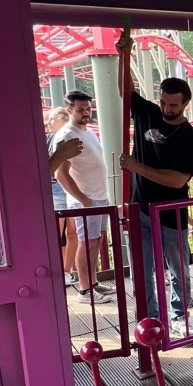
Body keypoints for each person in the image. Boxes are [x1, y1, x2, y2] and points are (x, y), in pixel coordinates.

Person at [116, 37, 193, 334]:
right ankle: (151, 317)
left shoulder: (190, 138)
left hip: (170, 212)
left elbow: (177, 179)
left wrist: (136, 166)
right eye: (164, 102)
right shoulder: (148, 112)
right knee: (143, 269)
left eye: (173, 105)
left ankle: (179, 314)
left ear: (185, 104)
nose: (167, 108)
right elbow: (124, 91)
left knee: (178, 269)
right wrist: (123, 56)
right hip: (140, 207)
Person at [53, 91, 112, 304]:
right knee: (86, 243)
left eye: (88, 109)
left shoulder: (88, 132)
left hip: (98, 196)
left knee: (95, 241)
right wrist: (83, 200)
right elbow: (60, 173)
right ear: (69, 111)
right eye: (80, 109)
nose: (86, 113)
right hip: (86, 199)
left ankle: (93, 282)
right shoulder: (67, 136)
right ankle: (85, 291)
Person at [46, 106, 80, 287]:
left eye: (52, 119)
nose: (49, 123)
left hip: (66, 187)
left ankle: (66, 271)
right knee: (58, 233)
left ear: (62, 118)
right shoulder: (47, 139)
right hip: (56, 188)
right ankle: (60, 271)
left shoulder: (69, 137)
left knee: (72, 232)